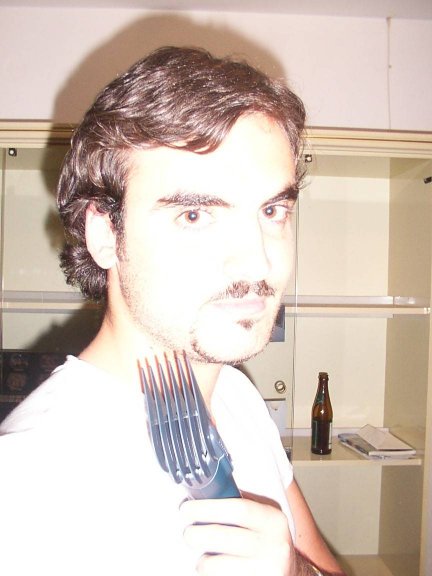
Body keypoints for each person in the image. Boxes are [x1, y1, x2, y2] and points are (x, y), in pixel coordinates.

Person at [0, 46, 345, 576]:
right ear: (104, 234)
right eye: (195, 215)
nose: (258, 260)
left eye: (272, 210)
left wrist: (291, 570)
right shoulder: (29, 481)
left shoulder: (236, 396)